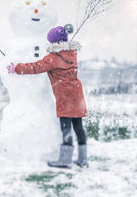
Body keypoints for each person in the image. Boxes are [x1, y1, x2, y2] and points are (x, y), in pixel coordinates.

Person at [6, 25, 88, 168]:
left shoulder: (53, 58)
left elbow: (35, 67)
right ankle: (83, 159)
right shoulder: (72, 53)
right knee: (78, 128)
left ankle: (65, 160)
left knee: (66, 128)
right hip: (77, 94)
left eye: (50, 41)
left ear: (54, 43)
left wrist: (16, 68)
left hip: (65, 96)